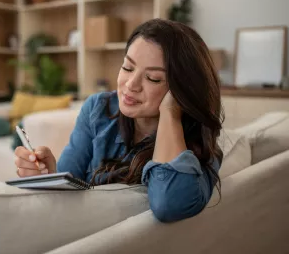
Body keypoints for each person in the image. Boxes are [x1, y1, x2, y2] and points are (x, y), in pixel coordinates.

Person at [14, 18, 224, 223]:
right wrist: (50, 175)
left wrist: (170, 112)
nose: (131, 84)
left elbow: (168, 205)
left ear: (182, 90)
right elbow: (70, 184)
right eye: (127, 67)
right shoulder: (98, 108)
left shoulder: (200, 148)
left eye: (153, 78)